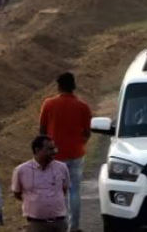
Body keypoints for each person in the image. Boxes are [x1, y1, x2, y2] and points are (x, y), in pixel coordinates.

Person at [39, 73, 91, 232]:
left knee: (56, 192)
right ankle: (74, 227)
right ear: (74, 86)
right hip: (76, 153)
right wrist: (79, 144)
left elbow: (42, 131)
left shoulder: (48, 104)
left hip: (54, 155)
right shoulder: (83, 106)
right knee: (74, 191)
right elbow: (87, 133)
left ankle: (58, 227)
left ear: (59, 86)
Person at [12, 135, 70, 232]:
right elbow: (17, 193)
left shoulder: (62, 168)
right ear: (37, 150)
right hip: (36, 224)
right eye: (50, 149)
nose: (54, 152)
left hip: (59, 222)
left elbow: (64, 190)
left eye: (54, 148)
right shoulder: (21, 170)